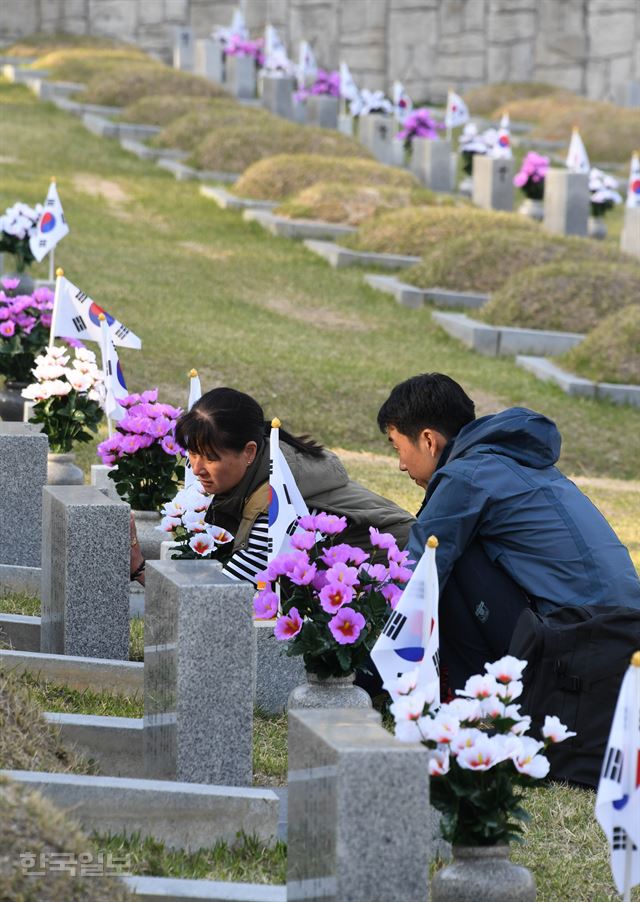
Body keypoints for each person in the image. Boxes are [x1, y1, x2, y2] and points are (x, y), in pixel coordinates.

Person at [377, 372, 640, 691]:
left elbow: (416, 572)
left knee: (442, 558)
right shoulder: (515, 460)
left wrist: (364, 672)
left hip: (580, 650)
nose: (401, 466)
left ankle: (476, 703)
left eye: (397, 448)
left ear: (429, 441)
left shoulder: (466, 476)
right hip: (622, 638)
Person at [131, 387, 415, 586]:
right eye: (192, 453)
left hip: (407, 575)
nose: (196, 468)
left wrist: (139, 568)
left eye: (211, 457)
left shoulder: (273, 498)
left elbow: (226, 596)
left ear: (249, 452)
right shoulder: (268, 465)